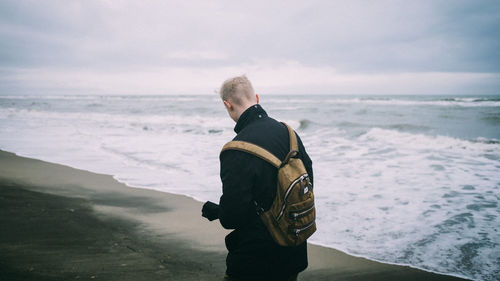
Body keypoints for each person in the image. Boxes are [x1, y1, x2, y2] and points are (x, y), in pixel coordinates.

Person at [202, 75, 313, 281]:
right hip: (293, 250)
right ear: (257, 98)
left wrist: (220, 211)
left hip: (255, 260)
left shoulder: (236, 149)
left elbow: (232, 217)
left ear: (228, 105)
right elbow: (308, 182)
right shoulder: (289, 134)